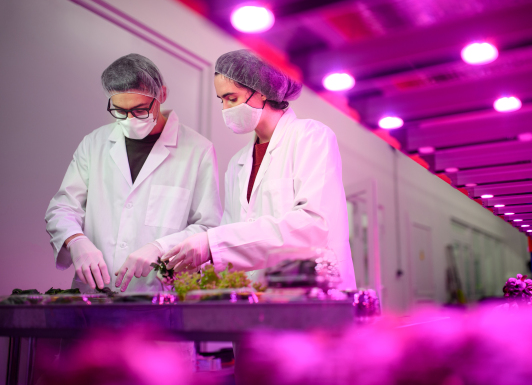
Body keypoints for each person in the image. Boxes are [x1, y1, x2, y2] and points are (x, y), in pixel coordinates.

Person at [163, 49, 356, 289]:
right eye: (221, 100)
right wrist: (201, 262)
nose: (225, 109)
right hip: (260, 298)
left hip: (313, 292)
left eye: (231, 98)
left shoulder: (311, 137)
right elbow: (232, 234)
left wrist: (213, 244)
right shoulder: (238, 163)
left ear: (262, 91)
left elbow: (313, 225)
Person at [45, 53, 222, 293]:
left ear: (162, 95)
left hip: (157, 292)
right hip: (96, 292)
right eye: (120, 110)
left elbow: (207, 226)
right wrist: (76, 241)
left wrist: (159, 247)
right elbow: (62, 207)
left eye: (139, 110)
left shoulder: (197, 150)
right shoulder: (94, 143)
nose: (129, 119)